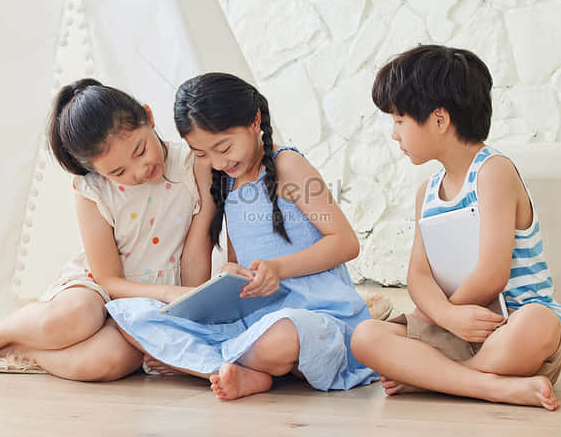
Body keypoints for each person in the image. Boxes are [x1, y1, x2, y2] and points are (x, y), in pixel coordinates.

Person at [105, 73, 377, 400]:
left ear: (254, 121)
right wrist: (229, 274)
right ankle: (246, 368)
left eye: (223, 147)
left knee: (283, 337)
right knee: (130, 317)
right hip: (255, 316)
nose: (218, 162)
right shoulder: (227, 182)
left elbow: (345, 242)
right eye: (202, 154)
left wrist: (278, 269)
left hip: (313, 313)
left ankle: (206, 363)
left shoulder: (288, 164)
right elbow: (237, 260)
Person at [0, 79, 214, 381]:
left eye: (139, 150)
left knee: (107, 362)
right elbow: (108, 279)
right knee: (77, 317)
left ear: (148, 117)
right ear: (97, 171)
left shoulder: (194, 166)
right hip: (97, 288)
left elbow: (197, 246)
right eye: (118, 172)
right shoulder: (92, 190)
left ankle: (21, 350)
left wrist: (187, 310)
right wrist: (168, 293)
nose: (139, 170)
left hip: (154, 302)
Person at [350, 45, 561, 411]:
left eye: (399, 120)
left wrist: (449, 316)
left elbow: (492, 273)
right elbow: (418, 276)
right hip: (453, 323)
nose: (394, 133)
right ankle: (489, 386)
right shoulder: (428, 191)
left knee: (540, 323)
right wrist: (447, 318)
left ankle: (438, 379)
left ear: (439, 120)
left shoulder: (494, 172)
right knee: (365, 336)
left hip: (506, 325)